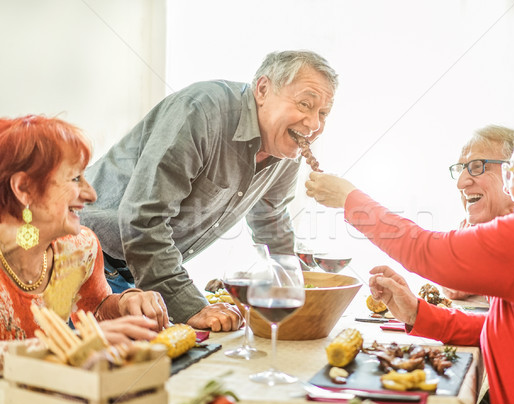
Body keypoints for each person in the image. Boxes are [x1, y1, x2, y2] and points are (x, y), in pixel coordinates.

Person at [305, 113, 514, 404]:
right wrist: (419, 313)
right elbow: (513, 329)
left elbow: (425, 250)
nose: (508, 183)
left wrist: (349, 199)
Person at [80, 50, 338, 331]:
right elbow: (144, 219)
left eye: (323, 113)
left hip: (142, 278)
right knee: (81, 369)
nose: (314, 124)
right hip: (87, 262)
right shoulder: (202, 111)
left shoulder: (286, 147)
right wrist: (190, 305)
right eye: (304, 104)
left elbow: (271, 219)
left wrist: (297, 289)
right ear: (263, 89)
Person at [0, 115, 170, 372]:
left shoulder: (80, 248)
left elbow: (96, 307)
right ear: (24, 188)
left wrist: (125, 303)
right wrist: (70, 343)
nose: (91, 195)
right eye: (75, 179)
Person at [443, 125, 514, 300]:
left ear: (513, 173)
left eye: (477, 167)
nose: (460, 183)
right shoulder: (472, 229)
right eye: (461, 169)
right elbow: (452, 286)